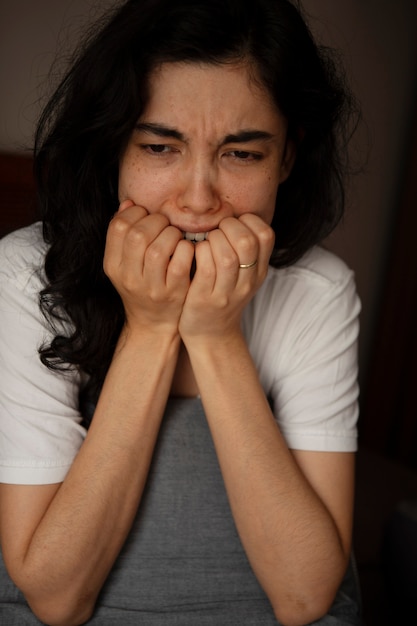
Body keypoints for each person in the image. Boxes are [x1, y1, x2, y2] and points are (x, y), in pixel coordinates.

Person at [0, 0, 363, 624]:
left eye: (242, 155)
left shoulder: (318, 292)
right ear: (114, 146)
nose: (199, 200)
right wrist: (150, 327)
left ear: (288, 157)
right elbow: (56, 598)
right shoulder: (22, 276)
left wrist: (217, 334)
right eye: (161, 148)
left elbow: (305, 598)